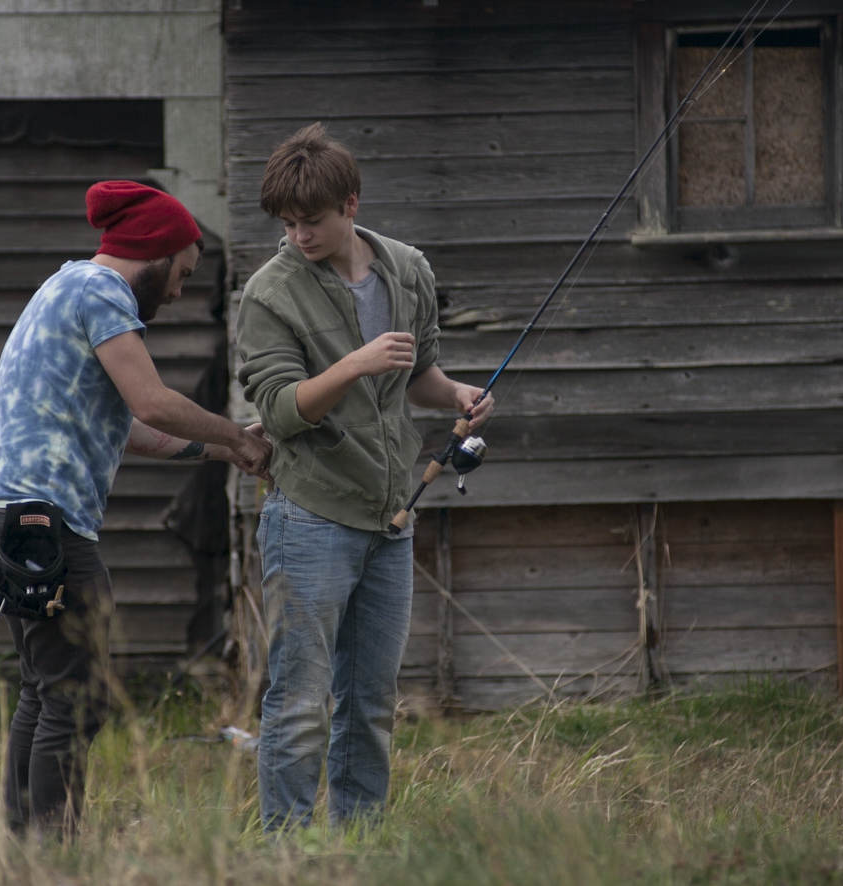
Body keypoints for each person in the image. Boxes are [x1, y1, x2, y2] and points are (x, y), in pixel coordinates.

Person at [0, 180, 271, 838]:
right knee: (78, 699)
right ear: (156, 252)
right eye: (182, 274)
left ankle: (25, 847)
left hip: (6, 513)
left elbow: (131, 429)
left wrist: (222, 455)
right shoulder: (101, 292)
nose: (179, 291)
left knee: (46, 689)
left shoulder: (63, 287)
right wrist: (238, 433)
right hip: (40, 520)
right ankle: (54, 853)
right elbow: (154, 402)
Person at [235, 124, 494, 830]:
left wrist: (458, 396)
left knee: (371, 702)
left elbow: (418, 377)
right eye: (286, 225)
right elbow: (282, 412)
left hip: (391, 519)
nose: (297, 236)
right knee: (298, 699)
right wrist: (354, 361)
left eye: (311, 222)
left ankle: (357, 848)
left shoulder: (407, 269)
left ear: (351, 204)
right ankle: (286, 856)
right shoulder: (268, 294)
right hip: (311, 518)